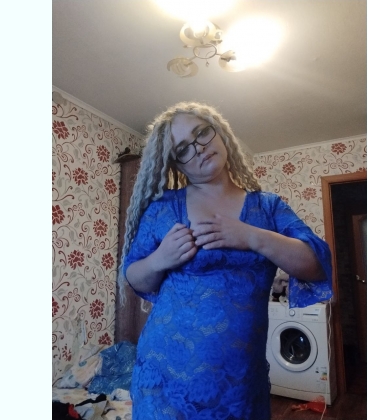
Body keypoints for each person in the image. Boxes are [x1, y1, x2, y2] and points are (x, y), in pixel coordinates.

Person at [119, 101, 333, 420]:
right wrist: (160, 259)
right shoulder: (163, 208)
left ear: (219, 132)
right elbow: (134, 275)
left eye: (201, 133)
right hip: (164, 380)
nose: (198, 148)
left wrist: (251, 236)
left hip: (240, 384)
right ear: (176, 164)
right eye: (183, 149)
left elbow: (315, 264)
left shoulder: (268, 207)